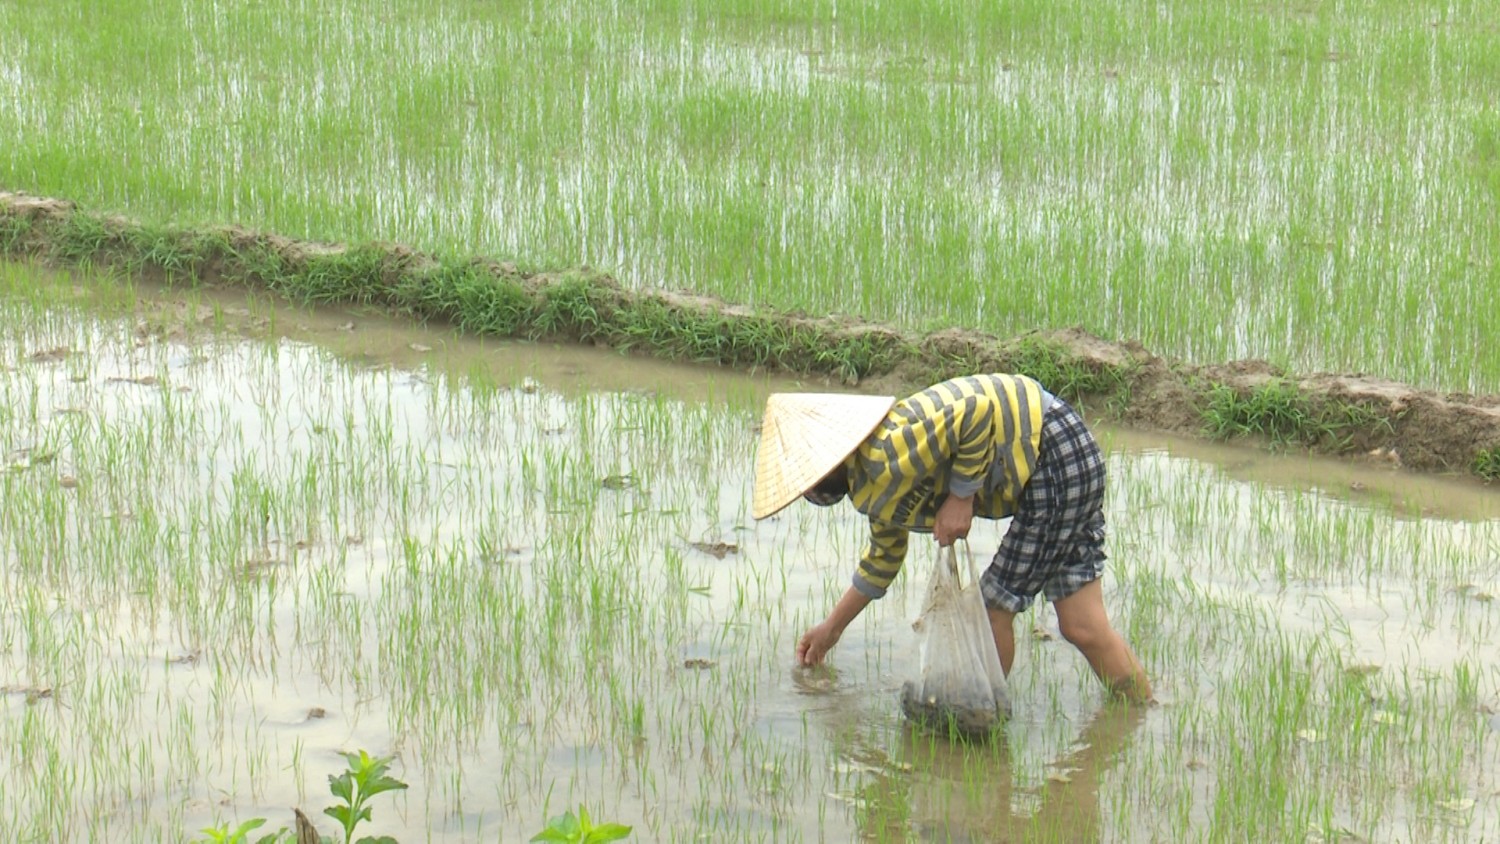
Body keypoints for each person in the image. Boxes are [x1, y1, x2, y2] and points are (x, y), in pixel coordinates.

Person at [752, 373, 1152, 703]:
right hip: (1064, 455)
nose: (810, 493)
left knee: (990, 608)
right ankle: (1141, 711)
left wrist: (961, 497)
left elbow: (976, 412)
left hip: (1052, 449)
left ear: (831, 462)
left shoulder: (887, 450)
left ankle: (978, 724)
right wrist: (831, 628)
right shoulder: (870, 485)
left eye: (807, 481)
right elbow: (882, 559)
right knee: (1082, 626)